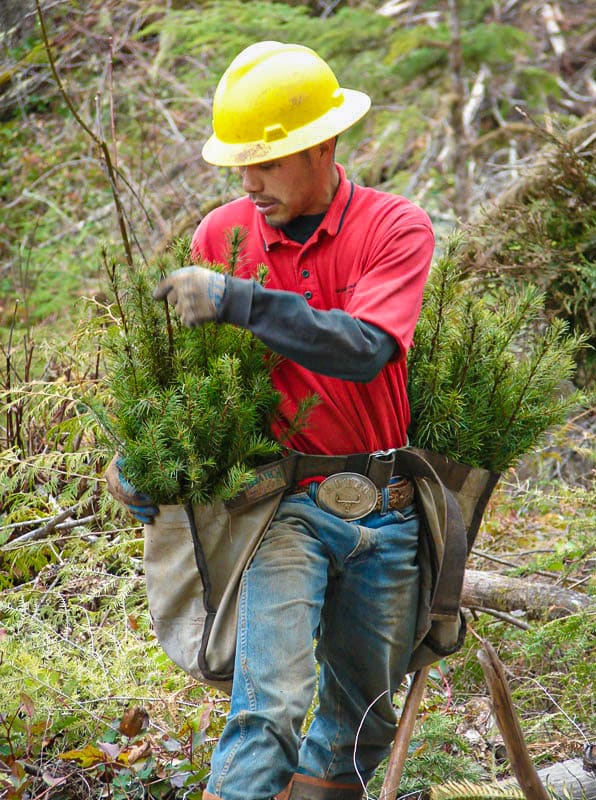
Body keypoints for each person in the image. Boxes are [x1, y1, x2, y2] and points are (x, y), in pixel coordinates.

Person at [108, 41, 435, 800]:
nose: (249, 184)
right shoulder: (222, 236)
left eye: (267, 163)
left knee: (362, 721)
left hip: (385, 506)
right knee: (270, 708)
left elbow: (365, 349)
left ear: (323, 145)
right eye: (241, 167)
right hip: (280, 508)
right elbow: (201, 383)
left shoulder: (395, 227)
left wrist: (240, 300)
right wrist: (143, 456)